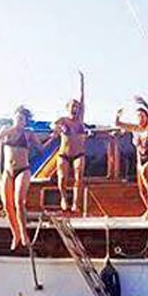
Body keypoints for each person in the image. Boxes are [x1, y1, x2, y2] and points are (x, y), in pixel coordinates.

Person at [0, 106, 45, 250]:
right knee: (7, 205)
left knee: (19, 201)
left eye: (21, 119)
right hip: (7, 171)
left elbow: (40, 149)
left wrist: (53, 137)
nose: (19, 120)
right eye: (17, 117)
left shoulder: (29, 133)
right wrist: (14, 128)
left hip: (23, 170)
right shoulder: (6, 130)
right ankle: (15, 233)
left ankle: (24, 233)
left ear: (25, 121)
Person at [115, 97, 148, 219]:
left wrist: (146, 104)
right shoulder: (134, 129)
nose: (140, 119)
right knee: (141, 189)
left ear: (146, 117)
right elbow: (118, 124)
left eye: (142, 116)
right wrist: (118, 115)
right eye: (138, 116)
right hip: (140, 162)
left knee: (146, 171)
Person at [52, 71, 88, 213]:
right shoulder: (63, 120)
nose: (74, 109)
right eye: (72, 107)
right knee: (62, 178)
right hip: (64, 154)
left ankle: (75, 203)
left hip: (79, 154)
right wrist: (57, 128)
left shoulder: (80, 120)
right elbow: (52, 125)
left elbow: (82, 98)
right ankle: (63, 198)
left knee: (79, 176)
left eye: (76, 107)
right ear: (67, 108)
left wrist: (82, 83)